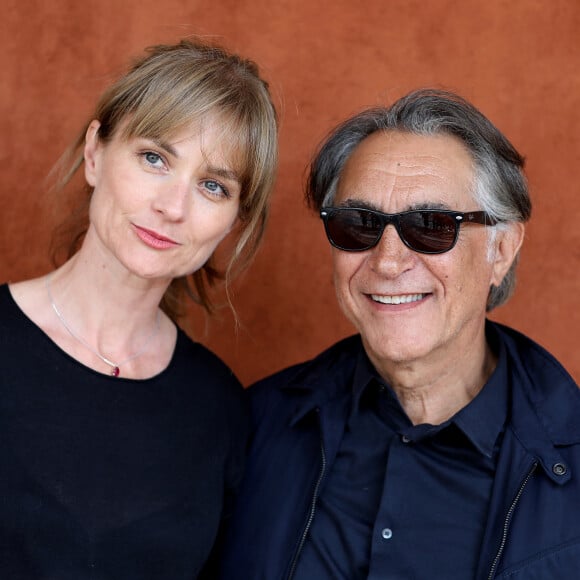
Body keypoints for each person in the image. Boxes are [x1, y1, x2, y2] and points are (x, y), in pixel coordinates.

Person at [218, 89, 580, 579]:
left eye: (432, 226)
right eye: (358, 224)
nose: (388, 262)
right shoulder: (252, 426)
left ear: (502, 250)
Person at [0, 39, 277, 579]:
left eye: (212, 186)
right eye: (155, 158)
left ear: (233, 221)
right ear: (95, 153)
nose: (172, 207)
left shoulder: (219, 408)